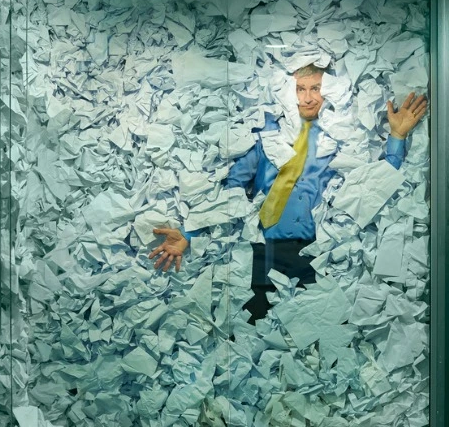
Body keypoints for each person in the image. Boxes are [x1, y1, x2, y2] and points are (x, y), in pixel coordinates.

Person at [149, 64, 427, 324]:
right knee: (253, 332)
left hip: (317, 255)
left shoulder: (345, 140)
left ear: (329, 91)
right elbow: (232, 191)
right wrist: (190, 234)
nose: (307, 98)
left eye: (315, 88)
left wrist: (397, 136)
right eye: (300, 89)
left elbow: (371, 187)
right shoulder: (266, 135)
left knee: (309, 346)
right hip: (260, 252)